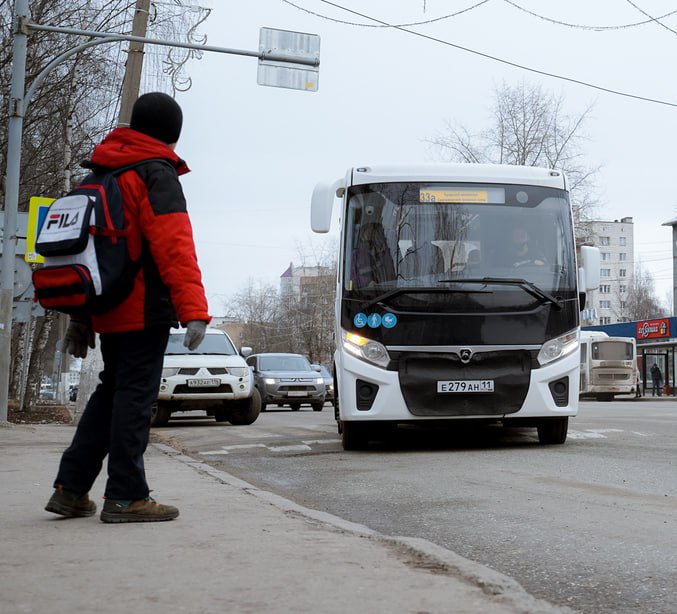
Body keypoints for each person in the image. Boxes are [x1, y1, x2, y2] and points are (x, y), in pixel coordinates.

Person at [45, 92, 211, 523]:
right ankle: (126, 496)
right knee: (134, 400)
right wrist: (194, 310)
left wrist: (82, 318)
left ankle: (70, 488)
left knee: (110, 394)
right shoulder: (155, 173)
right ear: (171, 135)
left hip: (105, 303)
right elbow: (175, 246)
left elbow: (82, 250)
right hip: (142, 307)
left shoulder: (100, 175)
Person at [350, 222, 396, 288]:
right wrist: (367, 282)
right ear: (363, 235)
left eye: (374, 232)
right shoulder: (356, 255)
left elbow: (392, 272)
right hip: (368, 295)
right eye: (369, 232)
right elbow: (353, 278)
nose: (371, 235)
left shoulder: (385, 252)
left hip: (391, 292)